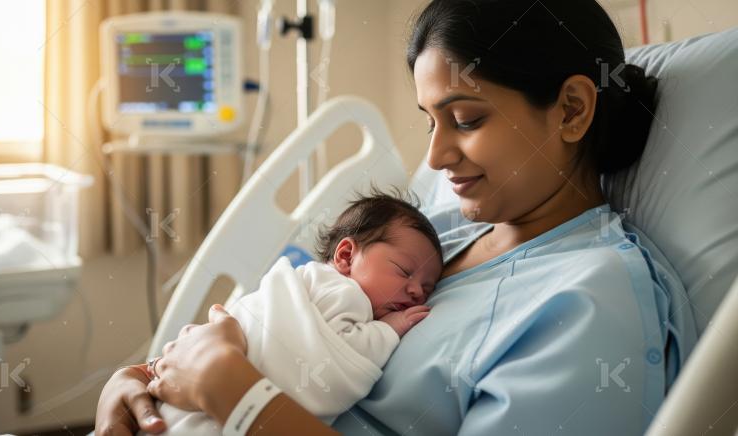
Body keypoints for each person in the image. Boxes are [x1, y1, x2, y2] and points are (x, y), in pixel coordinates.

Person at [95, 0, 696, 434]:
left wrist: (231, 391)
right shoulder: (444, 236)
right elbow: (273, 324)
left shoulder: (593, 302)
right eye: (429, 122)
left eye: (466, 119)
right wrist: (139, 383)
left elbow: (234, 373)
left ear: (570, 109)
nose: (434, 157)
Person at [142, 193, 442, 434]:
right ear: (346, 256)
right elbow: (342, 357)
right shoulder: (344, 292)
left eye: (427, 288)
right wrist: (389, 329)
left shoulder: (311, 282)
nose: (416, 291)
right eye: (404, 272)